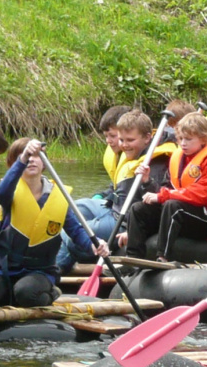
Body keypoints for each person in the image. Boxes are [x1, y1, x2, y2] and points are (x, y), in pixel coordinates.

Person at [0, 138, 108, 309]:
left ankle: (51, 293)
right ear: (15, 164)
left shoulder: (57, 196)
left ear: (44, 163)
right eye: (26, 156)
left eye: (36, 156)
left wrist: (96, 244)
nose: (31, 159)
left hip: (39, 271)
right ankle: (5, 295)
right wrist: (23, 157)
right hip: (3, 270)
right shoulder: (9, 189)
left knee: (25, 293)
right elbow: (1, 195)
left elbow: (76, 231)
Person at [58, 109, 155, 272]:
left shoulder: (154, 159)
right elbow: (118, 186)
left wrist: (147, 182)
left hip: (125, 220)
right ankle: (52, 269)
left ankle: (57, 269)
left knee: (70, 234)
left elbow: (156, 200)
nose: (121, 144)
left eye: (114, 136)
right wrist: (101, 196)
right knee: (71, 210)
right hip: (113, 207)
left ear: (146, 138)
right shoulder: (128, 152)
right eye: (121, 139)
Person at [122, 112, 207, 261]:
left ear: (203, 139)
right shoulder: (178, 158)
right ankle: (133, 258)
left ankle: (163, 257)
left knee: (173, 206)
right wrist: (147, 182)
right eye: (180, 138)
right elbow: (166, 189)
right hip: (179, 213)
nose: (183, 143)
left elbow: (202, 195)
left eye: (188, 139)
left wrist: (163, 196)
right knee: (138, 209)